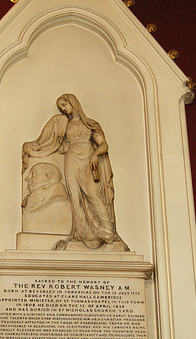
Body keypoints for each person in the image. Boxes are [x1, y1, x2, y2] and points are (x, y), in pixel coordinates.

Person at [22, 94, 125, 249]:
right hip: (71, 159)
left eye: (64, 105)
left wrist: (96, 155)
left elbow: (104, 144)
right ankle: (81, 233)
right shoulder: (64, 124)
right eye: (61, 107)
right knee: (75, 196)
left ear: (72, 103)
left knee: (91, 192)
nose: (63, 110)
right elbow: (50, 141)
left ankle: (107, 231)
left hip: (88, 158)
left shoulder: (90, 124)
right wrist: (34, 147)